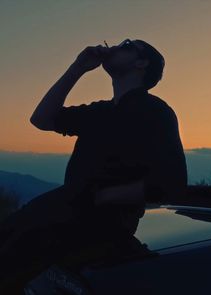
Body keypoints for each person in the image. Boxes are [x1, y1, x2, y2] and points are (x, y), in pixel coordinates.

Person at [0, 39, 187, 290]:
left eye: (128, 45)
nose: (117, 45)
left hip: (98, 225)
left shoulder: (155, 111)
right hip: (66, 211)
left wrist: (102, 196)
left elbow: (172, 183)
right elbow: (41, 119)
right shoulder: (100, 111)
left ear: (141, 63)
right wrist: (77, 68)